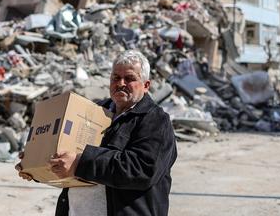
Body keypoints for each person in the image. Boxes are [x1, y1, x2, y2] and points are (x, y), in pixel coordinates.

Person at [17, 50, 177, 216]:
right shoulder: (96, 111)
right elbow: (67, 152)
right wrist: (36, 164)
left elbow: (142, 169)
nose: (120, 83)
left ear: (146, 85)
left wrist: (80, 163)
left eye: (129, 78)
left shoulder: (156, 121)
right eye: (115, 77)